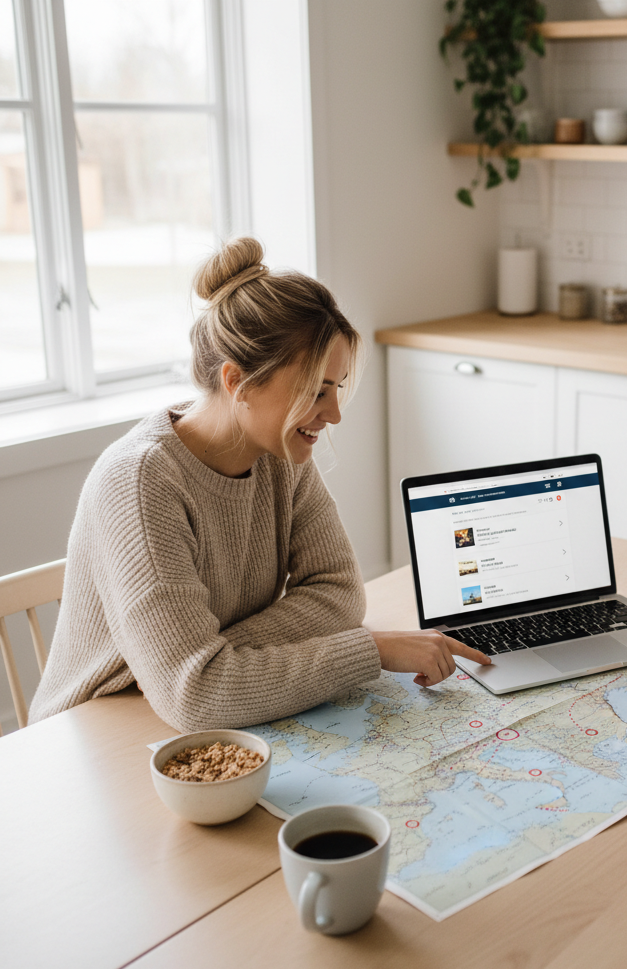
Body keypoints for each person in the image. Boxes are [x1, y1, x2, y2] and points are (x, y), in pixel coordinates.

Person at [29, 237, 489, 732]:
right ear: (237, 382)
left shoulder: (280, 452)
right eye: (315, 391)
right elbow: (197, 696)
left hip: (180, 704)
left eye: (336, 388)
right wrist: (369, 650)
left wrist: (217, 658)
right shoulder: (141, 483)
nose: (333, 414)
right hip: (91, 728)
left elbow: (339, 593)